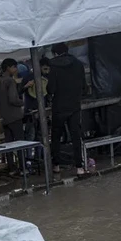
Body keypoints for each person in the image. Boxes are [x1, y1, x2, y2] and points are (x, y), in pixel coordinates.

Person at [46, 43, 87, 176]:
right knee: (76, 135)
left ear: (55, 53)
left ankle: (56, 165)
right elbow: (84, 86)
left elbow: (51, 88)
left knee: (56, 135)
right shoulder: (78, 64)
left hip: (59, 106)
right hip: (75, 105)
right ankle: (79, 167)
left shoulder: (53, 66)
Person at [0, 57, 26, 175]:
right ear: (8, 68)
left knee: (9, 145)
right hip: (15, 116)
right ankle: (23, 168)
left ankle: (11, 168)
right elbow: (13, 99)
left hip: (4, 118)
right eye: (14, 67)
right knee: (20, 143)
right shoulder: (10, 81)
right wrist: (22, 102)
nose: (16, 69)